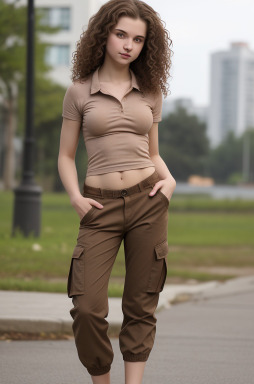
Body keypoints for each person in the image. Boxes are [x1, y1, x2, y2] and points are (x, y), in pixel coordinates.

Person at [58, 0, 176, 383]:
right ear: (104, 34)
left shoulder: (151, 91)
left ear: (146, 45)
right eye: (121, 34)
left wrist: (169, 180)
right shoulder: (79, 91)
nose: (129, 45)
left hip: (149, 200)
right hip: (99, 206)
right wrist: (76, 197)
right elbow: (65, 155)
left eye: (138, 39)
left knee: (141, 303)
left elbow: (153, 152)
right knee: (88, 308)